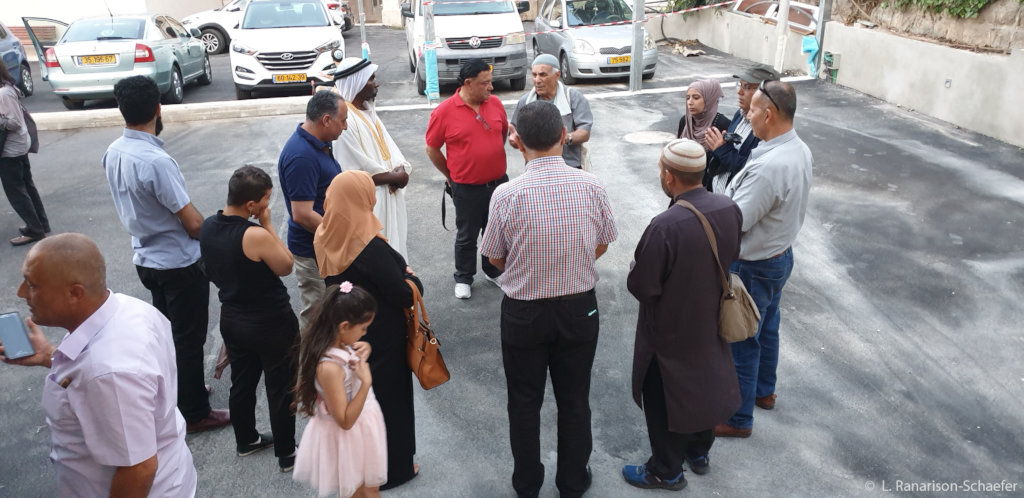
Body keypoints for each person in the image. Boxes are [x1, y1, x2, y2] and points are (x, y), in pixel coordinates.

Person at [480, 101, 618, 498]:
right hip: (579, 308)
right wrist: (570, 264)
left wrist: (530, 267)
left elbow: (494, 257)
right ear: (562, 135)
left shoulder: (506, 194)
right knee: (575, 399)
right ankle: (573, 482)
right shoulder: (591, 185)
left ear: (516, 140)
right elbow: (603, 242)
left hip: (523, 313)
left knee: (524, 402)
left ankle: (527, 484)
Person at [1, 233, 197, 496]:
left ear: (75, 293)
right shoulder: (127, 307)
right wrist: (51, 356)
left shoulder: (108, 373)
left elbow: (138, 469)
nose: (21, 293)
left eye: (32, 285)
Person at [102, 75, 228, 433]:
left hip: (146, 258)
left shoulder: (114, 152)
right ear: (158, 108)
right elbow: (192, 222)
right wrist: (222, 232)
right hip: (178, 262)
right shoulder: (156, 161)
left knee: (168, 334)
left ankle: (181, 393)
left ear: (121, 109)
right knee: (188, 339)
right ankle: (195, 411)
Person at [620, 139, 742, 490]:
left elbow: (642, 287)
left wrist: (634, 268)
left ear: (670, 177)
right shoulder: (728, 207)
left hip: (670, 329)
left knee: (665, 397)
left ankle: (666, 470)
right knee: (705, 383)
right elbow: (732, 253)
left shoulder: (665, 225)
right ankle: (698, 452)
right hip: (711, 317)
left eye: (661, 169)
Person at [716, 80, 813, 438]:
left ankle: (738, 418)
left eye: (753, 111)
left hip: (753, 266)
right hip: (779, 257)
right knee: (767, 326)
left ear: (769, 114)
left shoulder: (769, 166)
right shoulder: (798, 149)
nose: (748, 116)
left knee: (742, 340)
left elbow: (736, 222)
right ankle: (763, 392)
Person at [314, 170, 422, 489]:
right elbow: (403, 293)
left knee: (363, 404)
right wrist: (413, 279)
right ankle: (395, 470)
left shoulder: (325, 233)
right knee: (391, 402)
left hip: (349, 333)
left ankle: (365, 466)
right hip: (383, 335)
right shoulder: (367, 243)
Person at [199, 165, 300, 472]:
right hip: (271, 321)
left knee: (242, 383)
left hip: (233, 318)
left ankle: (246, 440)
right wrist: (267, 224)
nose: (268, 204)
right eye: (267, 199)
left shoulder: (208, 226)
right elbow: (286, 266)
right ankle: (287, 453)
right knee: (280, 386)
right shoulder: (254, 234)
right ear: (251, 204)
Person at [425, 58, 509, 300]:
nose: (491, 87)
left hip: (498, 184)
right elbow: (432, 148)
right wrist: (450, 176)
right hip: (466, 187)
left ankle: (493, 270)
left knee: (495, 232)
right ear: (468, 83)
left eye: (491, 82)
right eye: (485, 83)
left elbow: (502, 133)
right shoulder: (444, 112)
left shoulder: (495, 104)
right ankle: (463, 277)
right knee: (467, 235)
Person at [293, 283, 387, 498]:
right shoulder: (329, 368)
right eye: (363, 329)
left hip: (362, 426)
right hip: (349, 436)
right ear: (344, 326)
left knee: (369, 488)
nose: (364, 334)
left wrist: (364, 348)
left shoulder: (339, 343)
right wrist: (365, 383)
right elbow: (344, 421)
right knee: (356, 491)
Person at [278, 91, 348, 330]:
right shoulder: (301, 156)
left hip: (326, 247)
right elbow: (302, 214)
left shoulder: (320, 142)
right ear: (326, 120)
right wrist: (342, 235)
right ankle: (310, 356)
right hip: (313, 253)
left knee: (335, 314)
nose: (345, 127)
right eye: (342, 121)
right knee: (317, 320)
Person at [333, 57, 411, 259]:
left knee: (395, 255)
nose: (376, 84)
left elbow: (392, 152)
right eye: (371, 79)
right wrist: (394, 177)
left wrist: (401, 170)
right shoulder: (345, 121)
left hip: (389, 196)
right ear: (357, 83)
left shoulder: (368, 111)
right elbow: (350, 171)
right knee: (377, 259)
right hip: (369, 203)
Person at [509, 54, 593, 169]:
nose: (537, 80)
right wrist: (515, 140)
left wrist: (564, 138)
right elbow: (514, 135)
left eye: (542, 75)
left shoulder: (573, 98)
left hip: (569, 166)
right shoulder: (525, 101)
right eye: (534, 75)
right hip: (536, 168)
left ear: (557, 75)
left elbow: (584, 132)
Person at [704, 66, 780, 192]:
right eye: (740, 85)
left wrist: (722, 150)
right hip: (717, 195)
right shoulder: (739, 114)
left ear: (766, 93)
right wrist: (718, 144)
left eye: (747, 87)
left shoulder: (767, 128)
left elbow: (755, 172)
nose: (739, 92)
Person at [0, 59, 50, 246]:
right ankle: (40, 224)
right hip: (19, 146)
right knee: (27, 186)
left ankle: (35, 231)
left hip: (10, 150)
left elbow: (13, 122)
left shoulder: (3, 93)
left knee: (16, 193)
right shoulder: (8, 88)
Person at [676, 79, 731, 163]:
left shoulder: (722, 124)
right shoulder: (685, 121)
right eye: (688, 98)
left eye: (696, 98)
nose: (690, 102)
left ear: (709, 99)